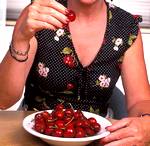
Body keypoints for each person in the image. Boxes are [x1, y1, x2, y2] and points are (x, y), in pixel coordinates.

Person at [0, 0, 150, 145]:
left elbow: (140, 101)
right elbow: (3, 101)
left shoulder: (127, 26)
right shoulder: (41, 15)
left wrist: (146, 123)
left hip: (97, 137)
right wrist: (20, 39)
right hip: (35, 132)